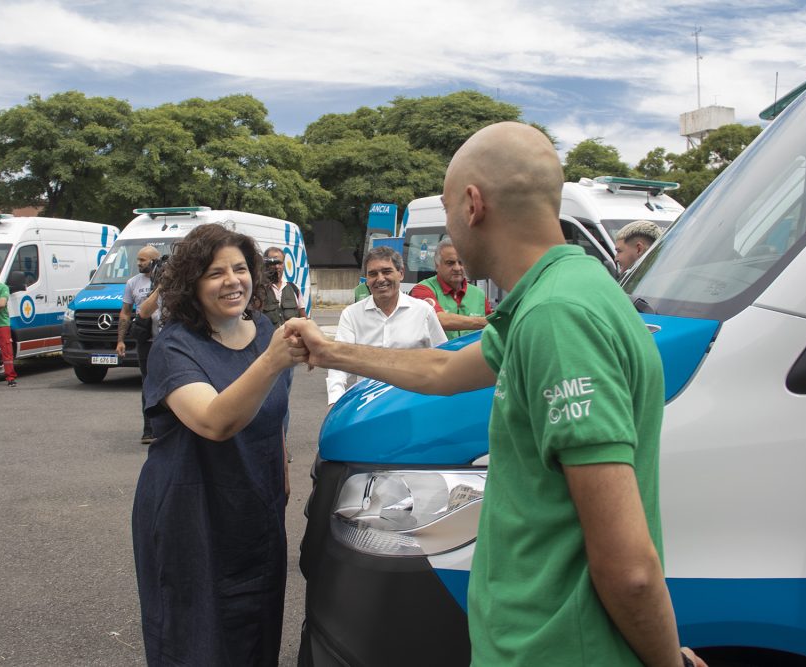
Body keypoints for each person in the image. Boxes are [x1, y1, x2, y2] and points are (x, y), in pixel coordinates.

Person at [286, 122, 705, 667]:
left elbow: (628, 566)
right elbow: (442, 369)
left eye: (446, 208)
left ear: (472, 204)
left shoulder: (558, 318)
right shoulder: (563, 291)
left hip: (555, 647)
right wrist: (332, 351)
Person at [131, 223, 295, 666]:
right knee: (195, 638)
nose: (232, 281)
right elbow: (214, 420)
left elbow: (275, 411)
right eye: (215, 273)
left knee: (255, 631)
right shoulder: (174, 347)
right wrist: (274, 358)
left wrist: (283, 462)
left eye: (240, 269)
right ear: (191, 283)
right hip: (192, 514)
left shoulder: (262, 329)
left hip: (256, 510)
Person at [326, 245, 447, 405]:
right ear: (367, 279)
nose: (380, 279)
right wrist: (334, 401)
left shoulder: (423, 311)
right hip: (368, 405)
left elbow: (442, 357)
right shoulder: (352, 314)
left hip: (414, 402)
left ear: (401, 273)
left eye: (387, 271)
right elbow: (339, 361)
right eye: (373, 274)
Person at [117, 245, 161, 444]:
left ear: (154, 260)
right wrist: (120, 340)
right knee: (147, 384)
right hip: (146, 342)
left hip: (167, 339)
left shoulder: (170, 281)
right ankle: (149, 429)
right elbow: (125, 313)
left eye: (143, 260)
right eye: (138, 259)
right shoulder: (132, 283)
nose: (138, 263)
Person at [409, 237, 492, 339]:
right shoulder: (422, 289)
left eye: (461, 262)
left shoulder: (479, 294)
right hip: (438, 354)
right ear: (437, 265)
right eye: (450, 263)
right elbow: (439, 320)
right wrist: (485, 321)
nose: (457, 268)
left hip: (473, 355)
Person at [259, 246, 307, 327]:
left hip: (291, 339)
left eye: (279, 263)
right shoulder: (259, 289)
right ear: (266, 264)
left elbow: (304, 319)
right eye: (273, 263)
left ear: (284, 264)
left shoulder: (294, 289)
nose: (277, 267)